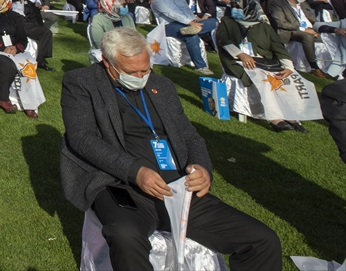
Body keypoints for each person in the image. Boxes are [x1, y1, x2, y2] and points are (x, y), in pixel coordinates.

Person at [59, 27, 282, 270]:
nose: (141, 76)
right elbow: (83, 138)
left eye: (145, 69)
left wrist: (202, 168)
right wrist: (135, 171)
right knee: (126, 236)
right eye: (131, 72)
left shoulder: (161, 85)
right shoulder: (81, 83)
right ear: (107, 62)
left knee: (262, 240)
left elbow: (190, 136)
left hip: (179, 187)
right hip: (122, 185)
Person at [215, 0, 310, 132]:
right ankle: (275, 119)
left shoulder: (264, 26)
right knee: (265, 80)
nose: (234, 9)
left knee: (284, 78)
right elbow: (224, 40)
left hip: (264, 62)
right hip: (236, 60)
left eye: (238, 7)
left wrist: (288, 67)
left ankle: (290, 116)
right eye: (234, 6)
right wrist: (241, 55)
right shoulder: (227, 22)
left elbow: (278, 47)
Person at [150, 0, 217, 76]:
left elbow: (187, 11)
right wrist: (190, 22)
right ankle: (201, 67)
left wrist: (193, 20)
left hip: (187, 23)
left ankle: (194, 29)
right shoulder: (158, 0)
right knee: (191, 36)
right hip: (169, 26)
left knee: (214, 22)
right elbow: (172, 14)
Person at [265, 0, 332, 79]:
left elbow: (313, 19)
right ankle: (314, 67)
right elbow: (281, 23)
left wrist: (319, 29)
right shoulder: (277, 4)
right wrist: (304, 30)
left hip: (309, 30)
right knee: (307, 36)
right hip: (290, 31)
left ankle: (332, 65)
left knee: (329, 37)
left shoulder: (303, 4)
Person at [9, 0, 56, 72]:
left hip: (30, 17)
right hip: (18, 23)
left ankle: (41, 60)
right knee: (45, 32)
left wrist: (39, 5)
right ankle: (40, 61)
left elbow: (31, 5)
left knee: (46, 30)